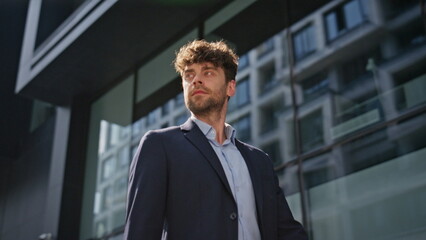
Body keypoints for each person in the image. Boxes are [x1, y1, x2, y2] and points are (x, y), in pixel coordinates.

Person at [124, 39, 308, 240]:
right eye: (189, 75)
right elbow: (140, 231)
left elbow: (287, 231)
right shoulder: (159, 145)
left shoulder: (259, 161)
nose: (196, 80)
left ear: (230, 87)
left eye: (208, 72)